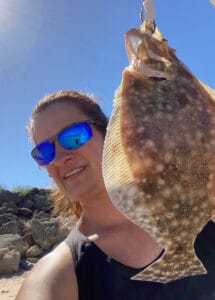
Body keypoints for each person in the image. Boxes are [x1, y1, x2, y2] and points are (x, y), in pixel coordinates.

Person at [16, 90, 215, 300]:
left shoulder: (198, 206)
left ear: (109, 133)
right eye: (45, 152)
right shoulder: (59, 273)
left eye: (73, 137)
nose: (59, 158)